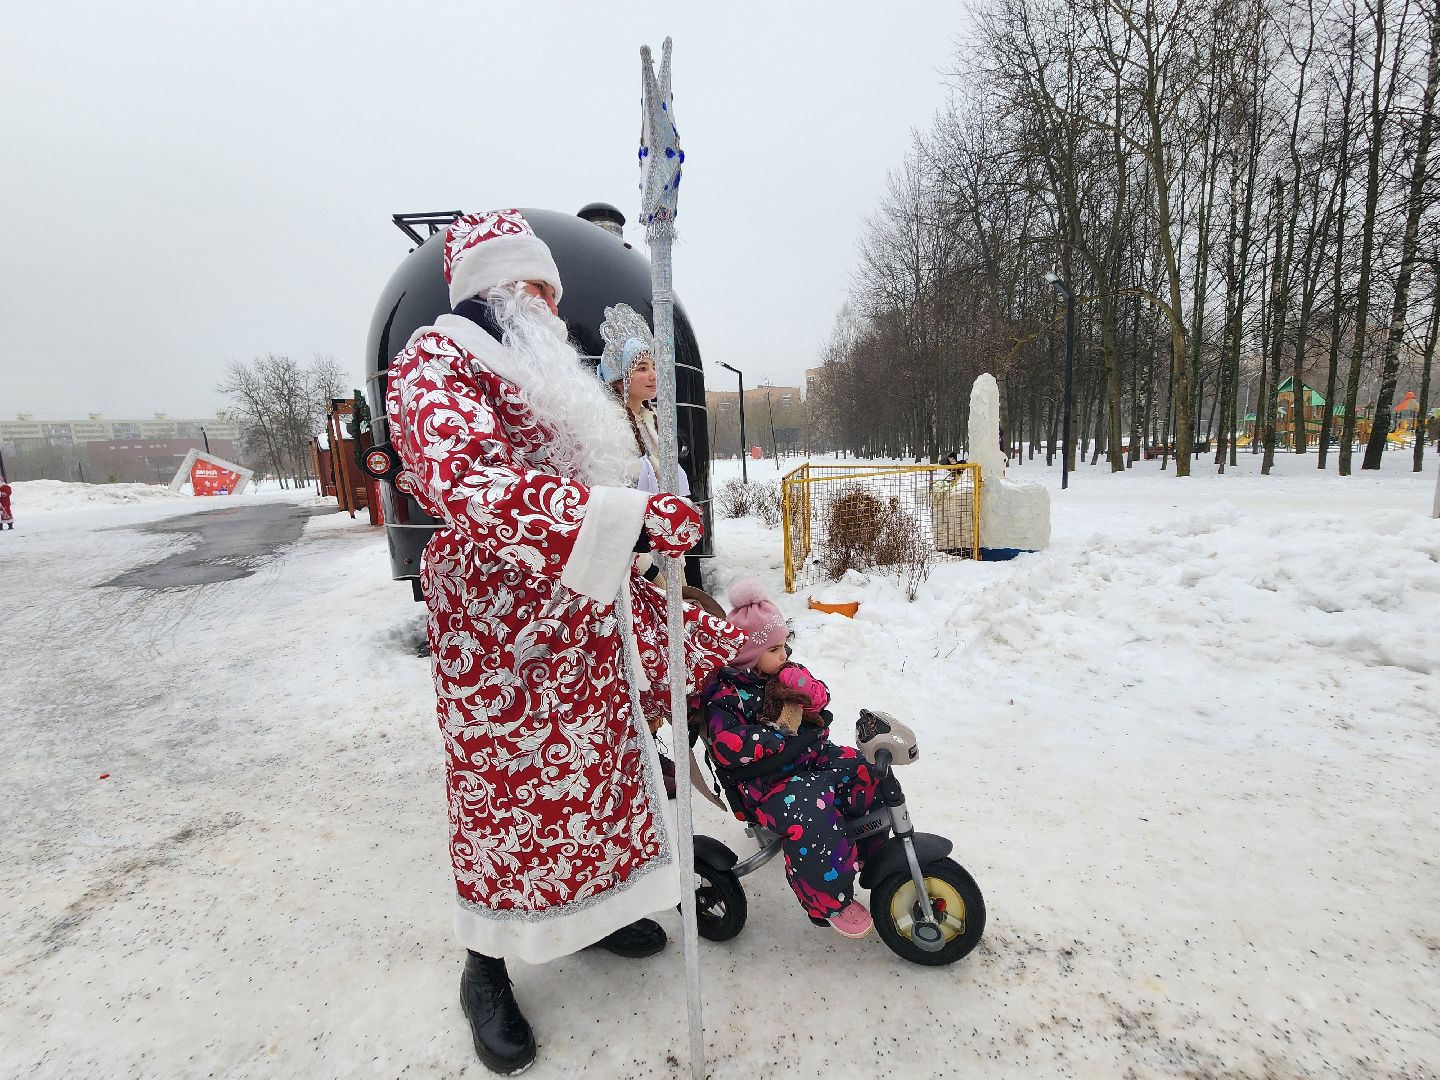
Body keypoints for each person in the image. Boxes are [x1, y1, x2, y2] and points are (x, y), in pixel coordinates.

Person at [385, 209, 743, 1075]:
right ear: (499, 285)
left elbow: (599, 476)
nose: (552, 300)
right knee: (504, 806)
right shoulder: (434, 362)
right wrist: (627, 519)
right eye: (537, 285)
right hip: (499, 644)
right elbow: (473, 485)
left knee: (595, 781)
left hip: (581, 625)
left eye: (551, 285)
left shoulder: (537, 363)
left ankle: (596, 915)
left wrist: (652, 508)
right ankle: (486, 971)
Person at [694, 577, 880, 939]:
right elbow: (728, 745)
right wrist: (778, 732)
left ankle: (870, 848)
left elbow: (821, 697)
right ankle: (828, 899)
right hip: (766, 785)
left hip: (812, 759)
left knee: (862, 769)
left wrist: (807, 690)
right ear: (749, 653)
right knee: (813, 811)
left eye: (785, 644)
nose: (785, 654)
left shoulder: (784, 673)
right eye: (775, 648)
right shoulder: (726, 694)